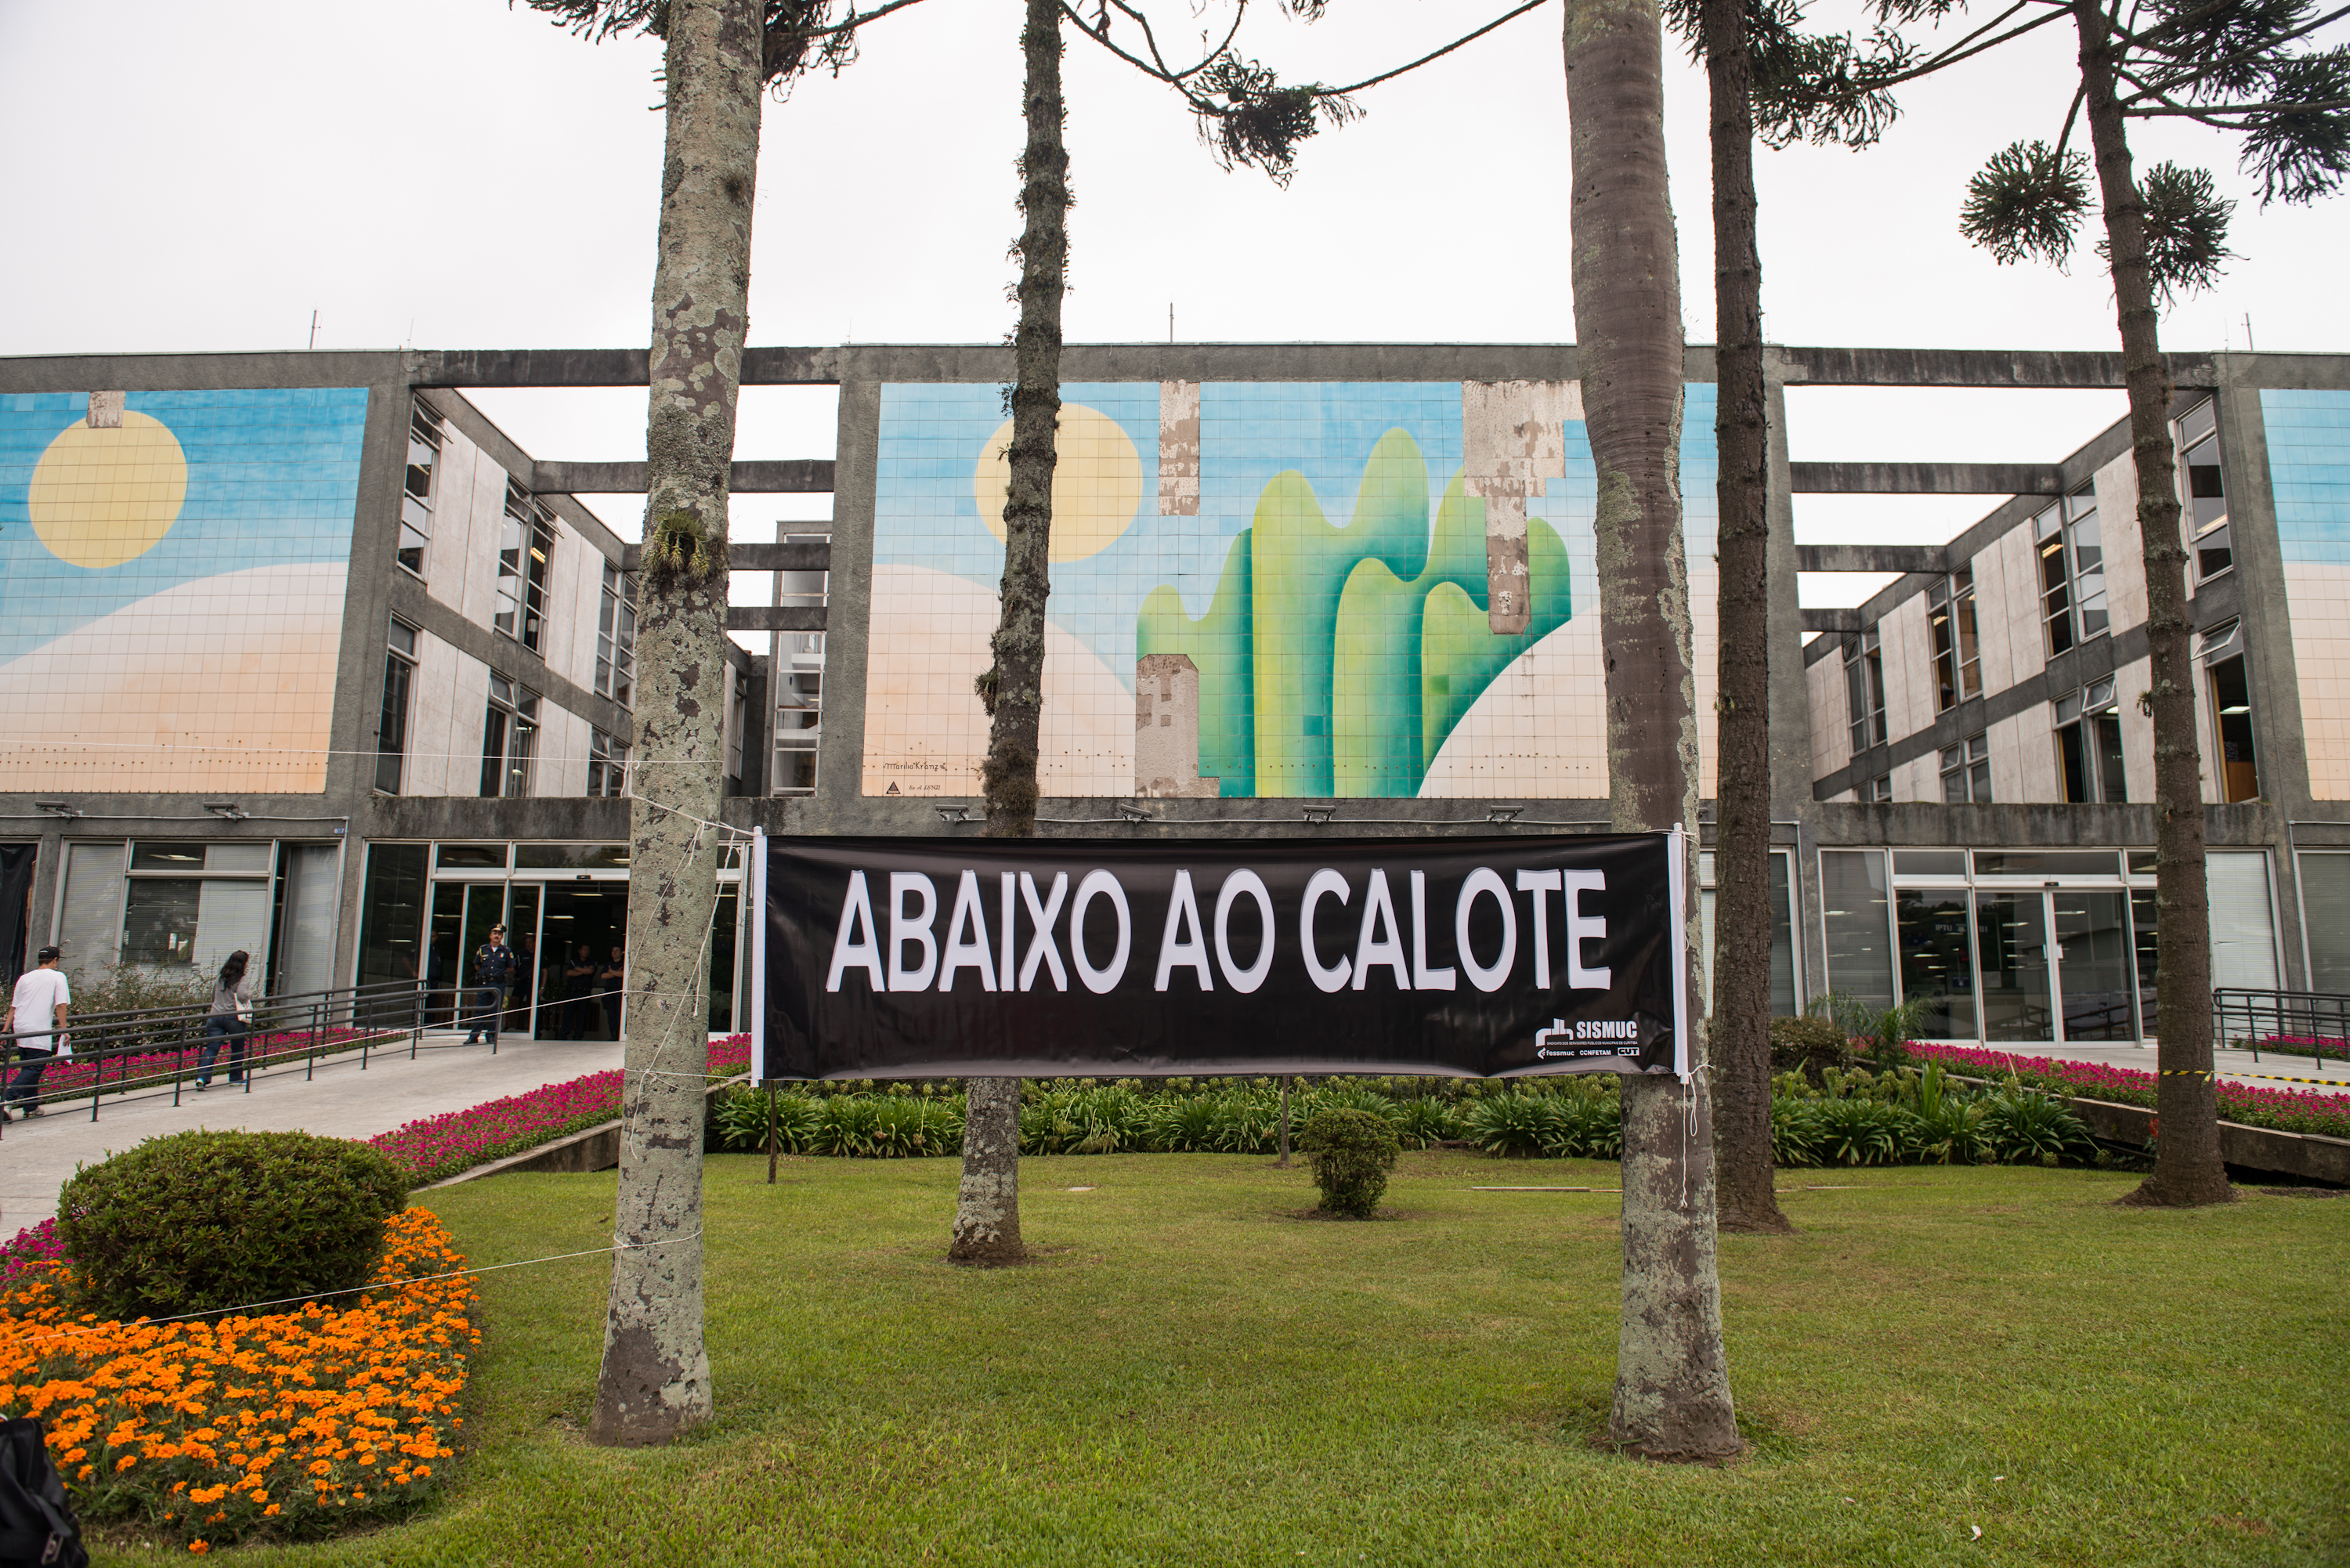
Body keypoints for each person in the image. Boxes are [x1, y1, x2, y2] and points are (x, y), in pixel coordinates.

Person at [3, 945, 71, 1121]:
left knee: (29, 1069)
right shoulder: (58, 977)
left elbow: (13, 1007)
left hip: (20, 1026)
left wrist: (5, 1030)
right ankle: (7, 1100)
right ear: (56, 960)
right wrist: (64, 1030)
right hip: (38, 1028)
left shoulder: (25, 978)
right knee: (35, 1067)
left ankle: (31, 1107)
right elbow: (61, 1005)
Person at [197, 948, 255, 1089]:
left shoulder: (220, 977)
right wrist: (250, 994)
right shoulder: (242, 978)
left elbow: (214, 996)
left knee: (212, 1048)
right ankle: (235, 1078)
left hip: (215, 1016)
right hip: (233, 1018)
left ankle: (202, 1077)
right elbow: (242, 996)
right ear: (243, 964)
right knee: (237, 1049)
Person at [464, 924, 515, 1046]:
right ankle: (474, 1036)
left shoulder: (506, 951)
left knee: (495, 1010)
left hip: (498, 984)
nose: (497, 936)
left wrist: (499, 974)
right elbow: (477, 965)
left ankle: (491, 1035)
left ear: (502, 936)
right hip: (484, 983)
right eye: (494, 933)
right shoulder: (483, 949)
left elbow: (511, 968)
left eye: (499, 934)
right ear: (490, 935)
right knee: (480, 1010)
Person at [563, 943, 596, 1040]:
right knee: (568, 1014)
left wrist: (577, 969)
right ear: (579, 951)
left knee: (582, 1016)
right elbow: (569, 973)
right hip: (573, 992)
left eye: (587, 950)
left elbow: (590, 972)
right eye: (584, 950)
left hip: (584, 992)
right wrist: (583, 971)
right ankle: (563, 1035)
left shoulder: (592, 962)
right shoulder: (573, 961)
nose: (586, 952)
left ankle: (578, 1036)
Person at [598, 945, 626, 1042]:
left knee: (620, 1014)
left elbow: (624, 974)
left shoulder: (624, 963)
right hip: (610, 992)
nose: (614, 953)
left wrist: (611, 972)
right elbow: (603, 976)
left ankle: (620, 1034)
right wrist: (616, 973)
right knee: (611, 1015)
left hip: (620, 992)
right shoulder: (608, 964)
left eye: (617, 950)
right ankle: (613, 1034)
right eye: (613, 951)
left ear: (621, 952)